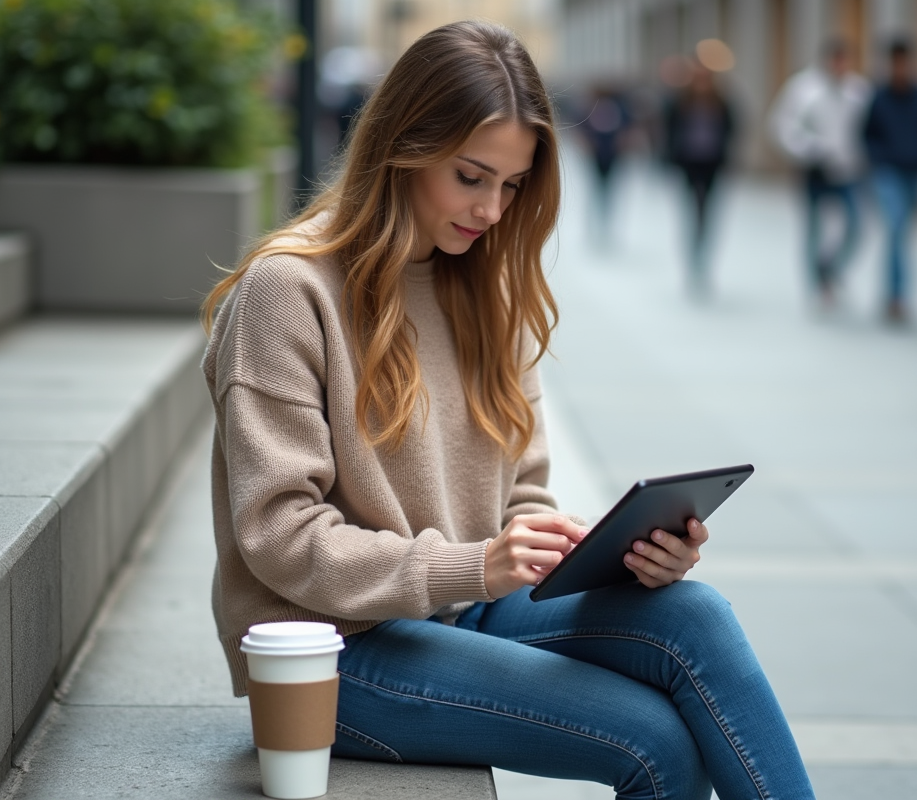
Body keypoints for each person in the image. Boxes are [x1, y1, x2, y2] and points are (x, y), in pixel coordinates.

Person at [201, 21, 814, 800]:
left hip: (465, 609)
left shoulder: (482, 289)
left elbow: (522, 494)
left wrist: (614, 555)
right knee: (656, 738)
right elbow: (279, 537)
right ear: (403, 146)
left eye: (512, 184)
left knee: (694, 615)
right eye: (470, 176)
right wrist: (473, 564)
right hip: (331, 651)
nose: (492, 209)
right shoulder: (288, 292)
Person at [771, 39, 872, 305]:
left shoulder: (858, 91)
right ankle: (815, 283)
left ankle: (831, 269)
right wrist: (809, 149)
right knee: (813, 228)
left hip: (848, 170)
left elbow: (868, 130)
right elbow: (783, 126)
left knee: (856, 225)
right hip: (814, 170)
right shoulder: (804, 89)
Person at [862, 38, 917, 324]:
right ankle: (896, 296)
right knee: (896, 229)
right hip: (888, 171)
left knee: (903, 234)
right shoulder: (879, 96)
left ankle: (897, 294)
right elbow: (867, 134)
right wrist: (878, 158)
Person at [663, 64, 735, 297]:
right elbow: (669, 130)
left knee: (707, 213)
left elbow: (732, 129)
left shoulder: (721, 103)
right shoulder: (681, 103)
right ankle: (692, 259)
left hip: (712, 164)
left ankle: (703, 258)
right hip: (689, 164)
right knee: (691, 212)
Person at [575, 83, 634, 249]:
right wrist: (586, 143)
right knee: (595, 190)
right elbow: (581, 126)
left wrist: (623, 143)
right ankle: (594, 226)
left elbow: (628, 127)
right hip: (596, 155)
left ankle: (605, 226)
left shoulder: (619, 107)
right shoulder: (591, 106)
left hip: (612, 154)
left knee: (608, 191)